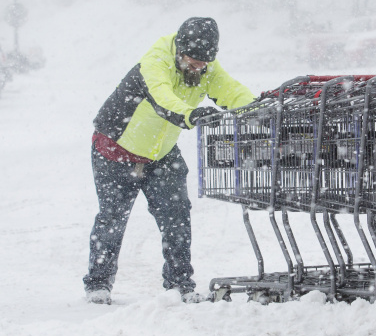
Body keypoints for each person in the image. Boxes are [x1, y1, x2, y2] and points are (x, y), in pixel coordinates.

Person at [84, 17, 255, 305]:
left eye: (204, 63)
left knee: (176, 215)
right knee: (112, 218)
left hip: (160, 154)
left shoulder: (205, 67)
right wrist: (191, 114)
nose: (198, 68)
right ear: (179, 51)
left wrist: (258, 108)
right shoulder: (155, 62)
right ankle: (98, 285)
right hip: (116, 150)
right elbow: (163, 98)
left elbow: (232, 91)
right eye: (192, 61)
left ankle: (180, 285)